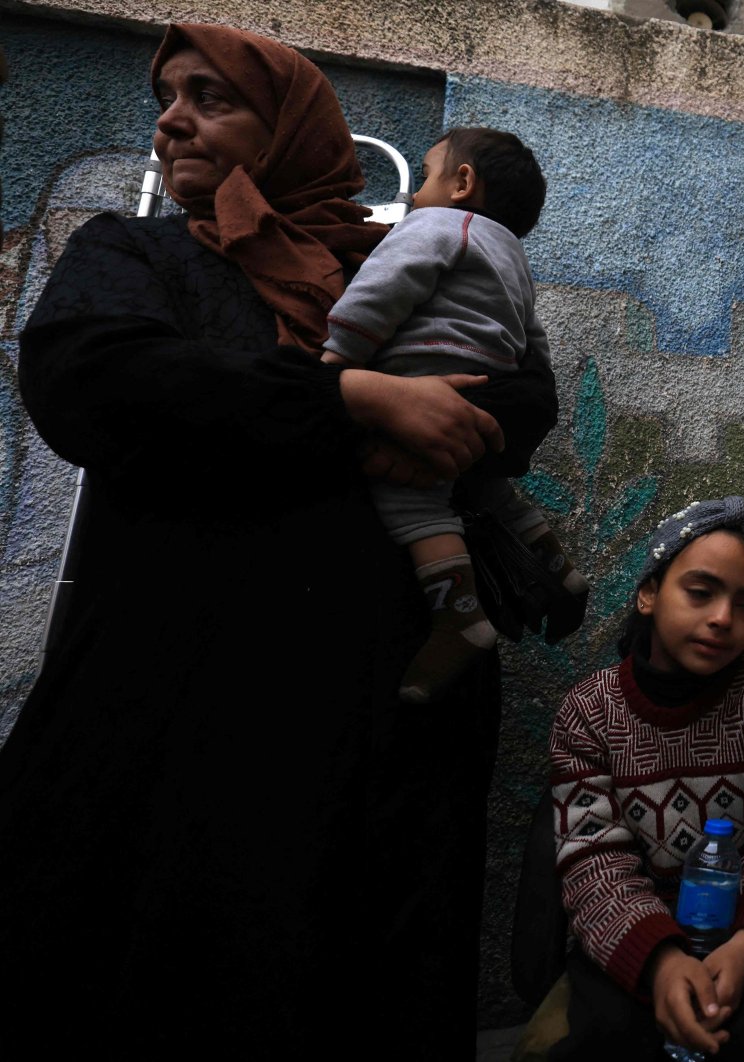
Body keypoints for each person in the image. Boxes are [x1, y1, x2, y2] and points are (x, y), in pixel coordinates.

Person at [0, 24, 556, 1056]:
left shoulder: (400, 257)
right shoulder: (139, 254)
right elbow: (99, 377)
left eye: (212, 98)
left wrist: (387, 410)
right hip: (183, 710)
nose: (173, 119)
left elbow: (519, 394)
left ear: (292, 129)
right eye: (168, 96)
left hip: (380, 737)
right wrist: (351, 398)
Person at [320, 126, 588, 703]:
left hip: (421, 384)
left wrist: (336, 357)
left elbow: (385, 286)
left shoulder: (435, 225)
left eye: (425, 175)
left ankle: (461, 619)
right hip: (487, 387)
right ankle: (557, 566)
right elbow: (532, 345)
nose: (415, 194)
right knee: (488, 489)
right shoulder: (513, 258)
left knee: (412, 500)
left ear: (462, 183)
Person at [547, 497, 744, 1061]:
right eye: (700, 593)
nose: (723, 618)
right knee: (610, 1039)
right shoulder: (590, 711)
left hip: (742, 922)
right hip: (633, 928)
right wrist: (661, 959)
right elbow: (592, 856)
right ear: (649, 594)